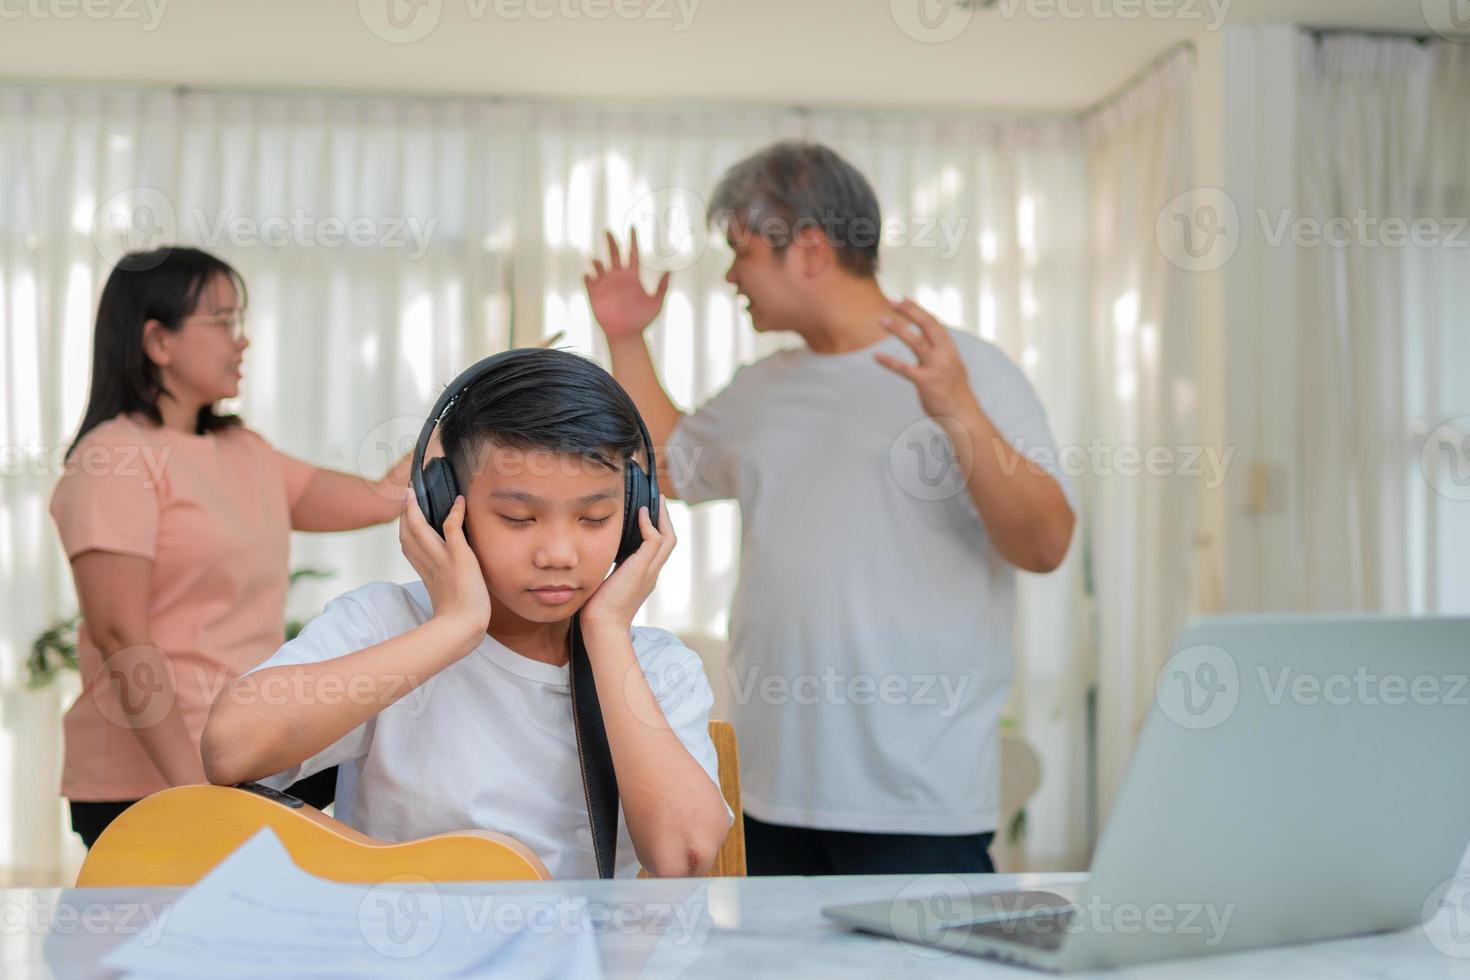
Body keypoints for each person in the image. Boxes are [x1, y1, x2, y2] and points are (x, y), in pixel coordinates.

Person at [584, 141, 1077, 875]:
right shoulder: (763, 388)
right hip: (773, 790)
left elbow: (1045, 545)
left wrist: (956, 409)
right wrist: (626, 338)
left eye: (742, 252)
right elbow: (670, 462)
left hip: (916, 801)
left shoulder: (967, 371)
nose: (730, 276)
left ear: (809, 249)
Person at [200, 348, 732, 878]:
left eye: (594, 518)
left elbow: (683, 860)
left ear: (636, 514)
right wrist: (455, 627)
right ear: (444, 504)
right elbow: (230, 749)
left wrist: (607, 632)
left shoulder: (658, 668)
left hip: (581, 961)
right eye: (518, 518)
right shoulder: (384, 623)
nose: (558, 554)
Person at [50, 246, 412, 848]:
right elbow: (120, 638)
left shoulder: (246, 452)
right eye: (222, 322)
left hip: (246, 759)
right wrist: (194, 792)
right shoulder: (112, 459)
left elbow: (381, 497)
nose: (241, 341)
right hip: (153, 783)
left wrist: (467, 408)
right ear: (157, 342)